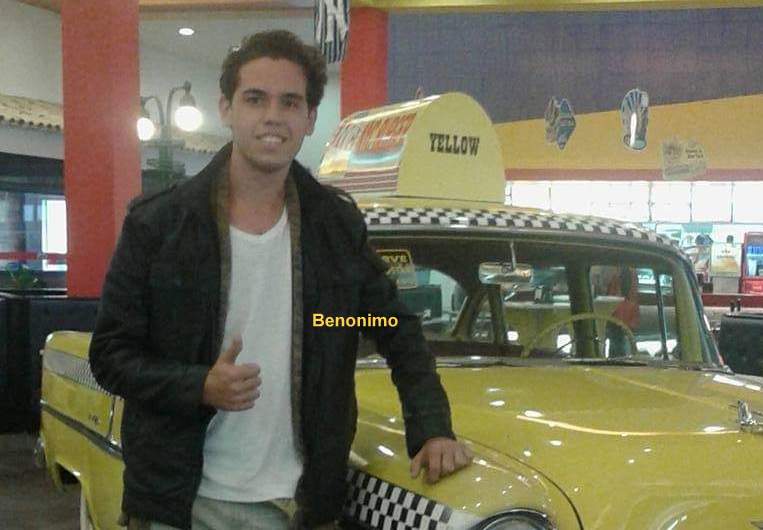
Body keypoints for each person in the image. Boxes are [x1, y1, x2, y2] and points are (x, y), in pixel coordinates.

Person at [89, 30, 470, 530]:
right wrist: (198, 385)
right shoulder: (159, 226)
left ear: (309, 118)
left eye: (290, 102)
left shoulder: (335, 229)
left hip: (299, 506)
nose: (273, 116)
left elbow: (393, 327)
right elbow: (110, 355)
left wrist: (433, 429)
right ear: (226, 109)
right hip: (179, 503)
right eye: (255, 99)